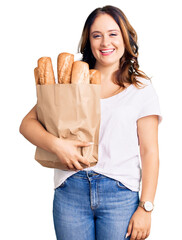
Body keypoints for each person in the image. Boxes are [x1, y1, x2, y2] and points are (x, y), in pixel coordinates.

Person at [19, 5, 162, 240]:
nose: (105, 42)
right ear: (89, 42)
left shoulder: (141, 90)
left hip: (119, 193)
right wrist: (57, 145)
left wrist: (146, 207)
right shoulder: (72, 85)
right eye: (97, 35)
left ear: (125, 38)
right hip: (70, 191)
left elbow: (149, 152)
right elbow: (26, 124)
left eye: (113, 34)